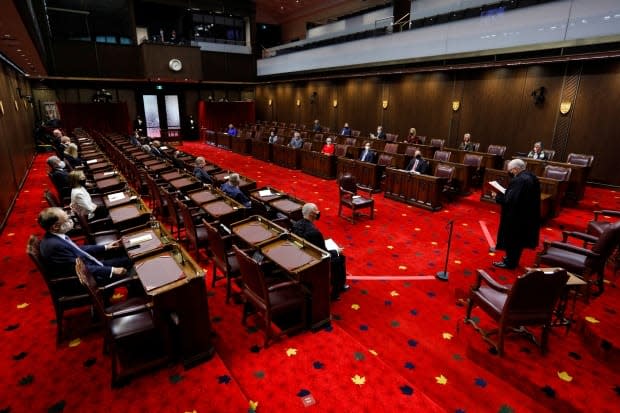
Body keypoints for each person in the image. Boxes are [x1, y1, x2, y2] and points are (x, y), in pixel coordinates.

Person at [37, 207, 131, 285]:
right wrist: (112, 270)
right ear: (55, 227)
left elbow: (77, 249)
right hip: (87, 279)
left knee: (129, 259)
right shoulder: (55, 246)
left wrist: (105, 247)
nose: (70, 221)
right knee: (135, 274)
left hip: (91, 265)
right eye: (66, 220)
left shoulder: (54, 236)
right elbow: (80, 269)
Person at [291, 203, 349, 300]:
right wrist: (336, 250)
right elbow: (325, 254)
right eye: (317, 211)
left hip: (301, 255)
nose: (318, 212)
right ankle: (337, 289)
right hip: (315, 261)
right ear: (312, 214)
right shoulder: (315, 232)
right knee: (340, 257)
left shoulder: (296, 225)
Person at [492, 158, 541, 269]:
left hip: (516, 217)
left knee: (513, 239)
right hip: (526, 215)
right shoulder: (531, 177)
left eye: (511, 170)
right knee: (518, 240)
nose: (511, 173)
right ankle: (512, 259)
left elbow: (510, 200)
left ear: (516, 169)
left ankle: (510, 262)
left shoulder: (519, 180)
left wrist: (497, 196)